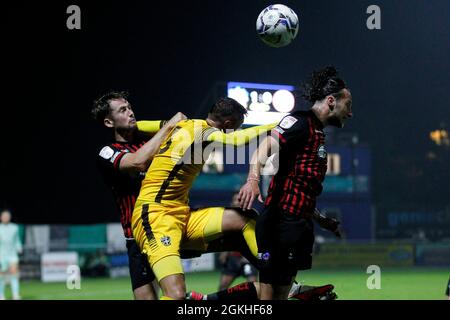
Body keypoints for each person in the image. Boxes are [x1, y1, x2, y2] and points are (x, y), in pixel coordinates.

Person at [131, 97, 277, 300]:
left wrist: (129, 126)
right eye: (237, 126)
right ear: (227, 124)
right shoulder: (206, 132)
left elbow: (144, 126)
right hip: (155, 216)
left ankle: (272, 270)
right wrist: (279, 124)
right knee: (176, 295)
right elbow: (237, 140)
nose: (236, 130)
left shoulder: (184, 124)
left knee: (246, 218)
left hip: (181, 214)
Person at [238, 66, 353, 299]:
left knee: (278, 295)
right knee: (269, 297)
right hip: (281, 222)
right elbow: (265, 145)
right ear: (331, 100)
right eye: (348, 105)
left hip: (298, 223)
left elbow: (302, 188)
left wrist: (321, 220)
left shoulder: (317, 132)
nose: (350, 113)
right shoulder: (301, 122)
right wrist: (252, 179)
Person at [92, 90, 187, 299]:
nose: (131, 112)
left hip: (163, 226)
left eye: (130, 107)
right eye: (122, 110)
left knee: (176, 294)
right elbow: (137, 162)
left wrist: (169, 126)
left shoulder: (149, 141)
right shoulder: (107, 152)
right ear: (109, 123)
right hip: (134, 237)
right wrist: (168, 126)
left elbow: (184, 131)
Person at [217, 193, 258, 291]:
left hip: (248, 259)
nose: (238, 202)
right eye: (236, 200)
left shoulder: (251, 216)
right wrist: (224, 253)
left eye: (240, 200)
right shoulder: (226, 218)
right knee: (223, 287)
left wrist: (250, 256)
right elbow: (227, 237)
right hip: (233, 258)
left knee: (254, 287)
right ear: (232, 203)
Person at [0, 209, 23, 300]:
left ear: (9, 217)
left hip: (12, 255)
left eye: (7, 216)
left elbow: (17, 240)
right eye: (4, 216)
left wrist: (19, 247)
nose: (6, 218)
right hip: (1, 255)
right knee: (1, 276)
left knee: (14, 274)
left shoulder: (15, 227)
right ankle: (1, 295)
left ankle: (15, 294)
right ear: (1, 217)